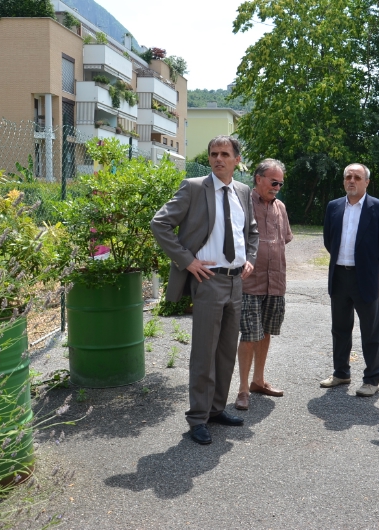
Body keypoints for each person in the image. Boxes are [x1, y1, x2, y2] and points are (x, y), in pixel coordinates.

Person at [151, 135, 259, 445]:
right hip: (208, 281)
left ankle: (216, 410)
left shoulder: (243, 191)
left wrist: (250, 259)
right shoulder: (194, 187)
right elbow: (160, 223)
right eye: (214, 154)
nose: (218, 159)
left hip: (236, 282)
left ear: (237, 160)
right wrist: (187, 260)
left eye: (225, 154)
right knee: (203, 353)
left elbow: (252, 232)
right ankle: (198, 418)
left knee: (225, 352)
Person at [321, 163, 379, 397]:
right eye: (348, 177)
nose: (352, 180)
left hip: (365, 276)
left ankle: (372, 378)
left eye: (357, 177)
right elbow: (329, 240)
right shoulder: (333, 207)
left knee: (370, 330)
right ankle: (341, 373)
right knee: (339, 328)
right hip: (339, 275)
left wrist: (370, 266)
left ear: (366, 182)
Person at [234, 159, 293, 411]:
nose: (277, 187)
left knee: (266, 332)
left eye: (280, 183)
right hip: (249, 282)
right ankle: (243, 389)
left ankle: (258, 381)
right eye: (273, 182)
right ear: (258, 179)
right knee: (249, 335)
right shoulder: (242, 203)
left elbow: (284, 239)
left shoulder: (280, 207)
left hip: (275, 281)